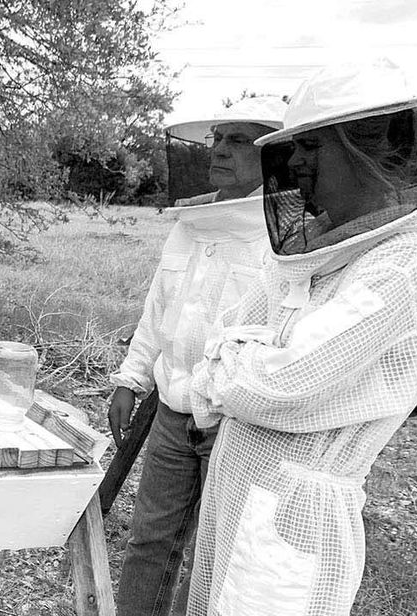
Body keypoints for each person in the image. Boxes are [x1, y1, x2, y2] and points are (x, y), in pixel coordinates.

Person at [186, 58, 417, 616]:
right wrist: (241, 360)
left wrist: (238, 363)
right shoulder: (309, 244)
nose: (294, 160)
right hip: (238, 479)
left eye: (314, 145)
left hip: (296, 509)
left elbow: (279, 385)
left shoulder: (406, 259)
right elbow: (218, 347)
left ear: (366, 147)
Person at [107, 96, 286, 616]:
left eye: (238, 139)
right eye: (217, 138)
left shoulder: (287, 230)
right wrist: (130, 379)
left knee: (216, 557)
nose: (220, 149)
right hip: (170, 412)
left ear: (273, 152)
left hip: (233, 422)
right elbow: (158, 306)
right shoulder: (191, 221)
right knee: (148, 544)